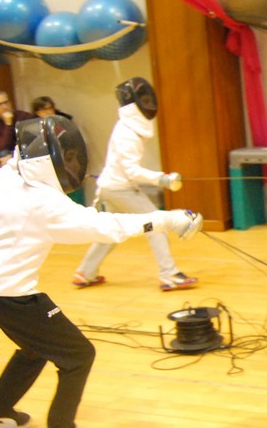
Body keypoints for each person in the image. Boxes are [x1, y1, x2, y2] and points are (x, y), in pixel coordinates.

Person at [0, 115, 203, 428]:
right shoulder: (44, 203)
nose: (73, 162)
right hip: (12, 296)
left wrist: (12, 171)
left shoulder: (4, 179)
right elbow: (108, 227)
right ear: (50, 160)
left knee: (36, 348)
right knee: (78, 355)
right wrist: (166, 219)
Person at [73, 77, 194, 292]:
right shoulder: (128, 133)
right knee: (157, 224)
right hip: (120, 189)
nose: (148, 104)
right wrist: (162, 179)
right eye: (144, 100)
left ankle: (85, 272)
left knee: (112, 232)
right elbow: (131, 171)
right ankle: (169, 274)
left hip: (113, 187)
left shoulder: (129, 128)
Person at [0, 90, 34, 166]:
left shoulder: (23, 116)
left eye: (6, 102)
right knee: (3, 153)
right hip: (10, 153)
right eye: (0, 104)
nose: (5, 106)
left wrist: (13, 156)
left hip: (27, 150)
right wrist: (8, 124)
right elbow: (1, 147)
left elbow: (33, 140)